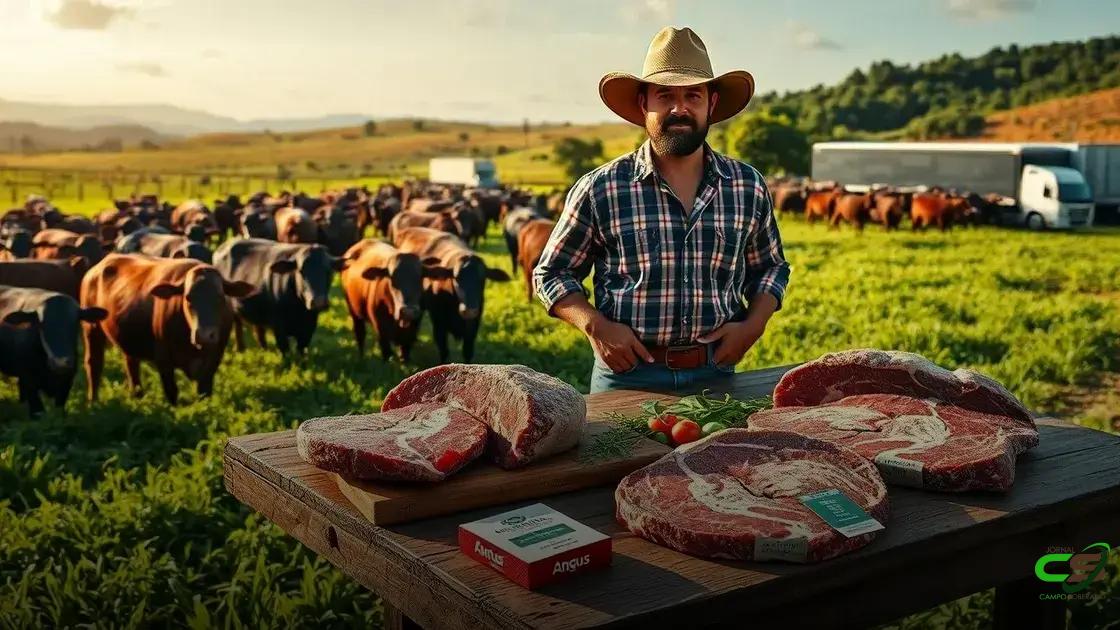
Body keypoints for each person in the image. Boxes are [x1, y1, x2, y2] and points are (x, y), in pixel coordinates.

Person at [532, 26, 791, 394]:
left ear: (711, 105)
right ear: (644, 104)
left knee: (718, 454)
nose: (679, 108)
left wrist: (754, 325)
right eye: (665, 95)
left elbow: (771, 267)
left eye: (693, 96)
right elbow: (552, 273)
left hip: (715, 373)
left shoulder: (747, 185)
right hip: (626, 376)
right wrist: (595, 325)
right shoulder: (601, 188)